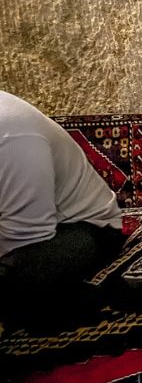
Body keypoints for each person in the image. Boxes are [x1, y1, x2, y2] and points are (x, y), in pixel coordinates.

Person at [0, 91, 124, 326]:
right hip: (19, 231)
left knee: (23, 282)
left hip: (79, 229)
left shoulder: (13, 135)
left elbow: (26, 235)